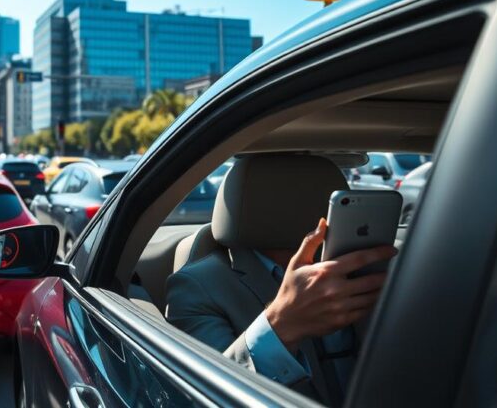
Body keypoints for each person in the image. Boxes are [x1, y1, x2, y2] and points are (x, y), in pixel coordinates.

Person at [166, 154, 397, 406]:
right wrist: (281, 325)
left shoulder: (379, 268)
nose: (301, 205)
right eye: (289, 196)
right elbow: (200, 396)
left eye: (313, 193)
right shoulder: (199, 286)